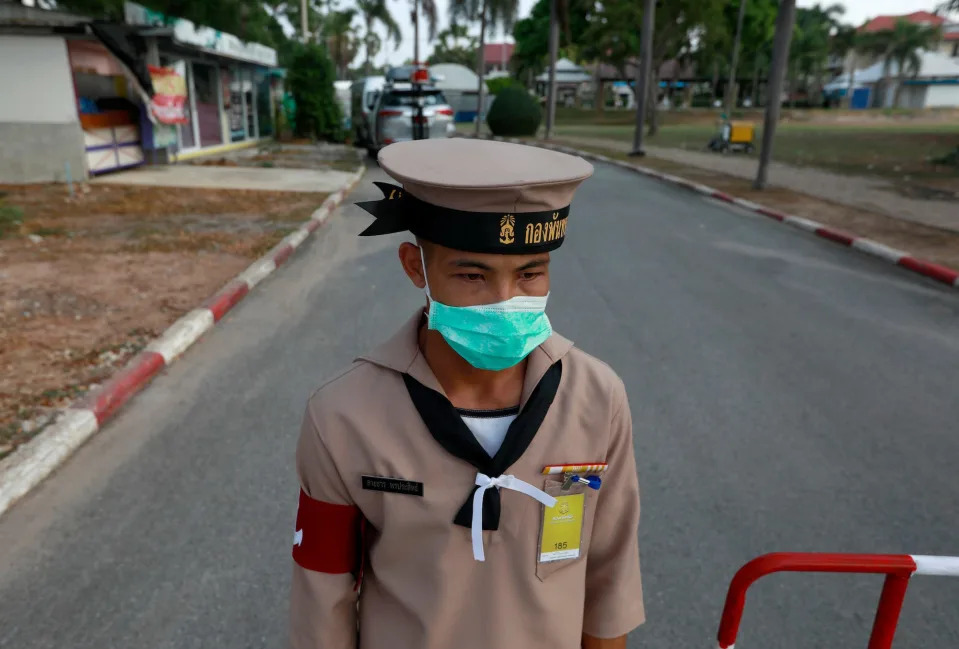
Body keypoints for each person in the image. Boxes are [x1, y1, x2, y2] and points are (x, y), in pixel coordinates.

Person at [289, 138, 645, 649]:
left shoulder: (595, 399)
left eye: (529, 274)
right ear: (417, 268)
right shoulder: (342, 416)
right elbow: (321, 597)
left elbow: (610, 579)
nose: (505, 301)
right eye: (473, 275)